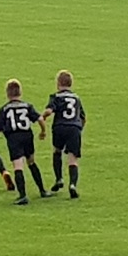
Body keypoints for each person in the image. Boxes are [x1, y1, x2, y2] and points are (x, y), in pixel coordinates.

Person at [0, 79, 52, 205]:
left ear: (7, 93)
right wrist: (43, 131)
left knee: (18, 165)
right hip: (27, 135)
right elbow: (40, 119)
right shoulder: (27, 106)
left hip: (14, 137)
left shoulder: (4, 109)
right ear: (20, 93)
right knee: (31, 162)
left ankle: (22, 195)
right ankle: (42, 190)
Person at [42, 70, 86, 199]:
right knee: (73, 158)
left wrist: (42, 117)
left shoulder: (56, 97)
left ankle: (59, 179)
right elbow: (83, 118)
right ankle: (72, 185)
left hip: (59, 127)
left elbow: (49, 111)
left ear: (58, 83)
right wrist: (79, 129)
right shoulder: (76, 98)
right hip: (74, 128)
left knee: (57, 151)